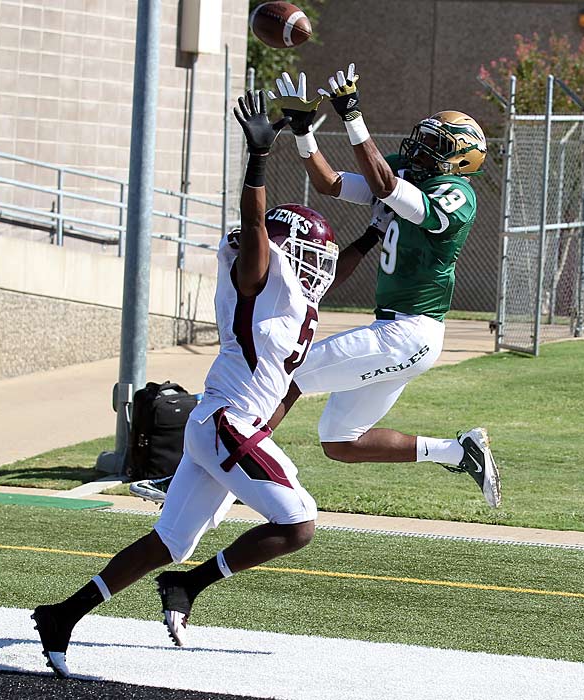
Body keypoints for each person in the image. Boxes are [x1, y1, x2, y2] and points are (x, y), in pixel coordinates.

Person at [31, 89, 360, 676]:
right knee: (300, 521)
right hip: (225, 423)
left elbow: (336, 272)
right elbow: (255, 224)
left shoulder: (292, 296)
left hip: (222, 427)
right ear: (291, 250)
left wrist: (382, 227)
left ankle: (64, 615)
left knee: (169, 542)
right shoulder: (259, 272)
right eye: (313, 251)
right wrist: (259, 159)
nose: (321, 262)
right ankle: (189, 585)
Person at [264, 65, 501, 508]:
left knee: (288, 373)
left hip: (409, 331)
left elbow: (386, 186)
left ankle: (228, 461)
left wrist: (353, 116)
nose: (421, 149)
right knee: (340, 441)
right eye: (425, 138)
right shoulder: (404, 175)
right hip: (400, 334)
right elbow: (330, 183)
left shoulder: (457, 194)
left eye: (436, 145)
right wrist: (303, 132)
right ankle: (457, 451)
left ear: (461, 159)